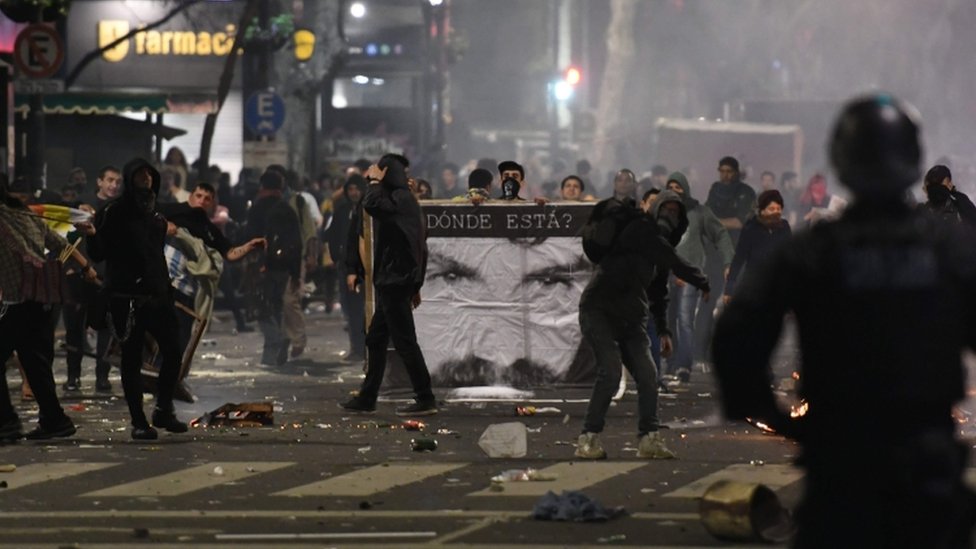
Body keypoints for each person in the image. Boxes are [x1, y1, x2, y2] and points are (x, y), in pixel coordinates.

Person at [712, 94, 976, 549]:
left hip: (839, 461)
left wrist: (778, 417)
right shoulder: (947, 249)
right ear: (913, 163)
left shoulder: (815, 250)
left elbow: (736, 337)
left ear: (842, 161)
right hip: (924, 461)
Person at [575, 188, 708, 460]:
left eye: (675, 212)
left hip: (631, 317)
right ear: (656, 208)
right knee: (610, 374)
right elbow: (672, 259)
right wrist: (701, 280)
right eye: (666, 209)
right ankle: (588, 439)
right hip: (599, 310)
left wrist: (663, 330)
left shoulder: (659, 251)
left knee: (649, 378)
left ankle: (649, 439)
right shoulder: (640, 229)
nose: (669, 215)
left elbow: (658, 293)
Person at [87, 158, 189, 440]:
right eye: (140, 174)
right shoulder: (114, 212)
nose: (145, 179)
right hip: (126, 298)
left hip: (158, 296)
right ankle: (138, 421)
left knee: (173, 351)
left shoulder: (155, 213)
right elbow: (98, 253)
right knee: (131, 359)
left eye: (149, 174)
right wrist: (92, 235)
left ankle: (164, 409)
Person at [0, 180, 96, 440]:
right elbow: (60, 245)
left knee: (32, 362)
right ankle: (55, 420)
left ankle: (6, 422)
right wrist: (86, 269)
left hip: (18, 302)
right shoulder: (24, 213)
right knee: (35, 363)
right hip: (43, 299)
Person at [342, 154, 436, 416]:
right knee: (376, 338)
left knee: (405, 341)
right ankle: (368, 396)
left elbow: (371, 204)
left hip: (396, 280)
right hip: (395, 279)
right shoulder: (405, 199)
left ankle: (425, 397)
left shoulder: (400, 199)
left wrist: (373, 181)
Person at [664, 171, 734, 383]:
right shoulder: (661, 213)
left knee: (684, 319)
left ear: (686, 189)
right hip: (666, 276)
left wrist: (728, 261)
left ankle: (684, 365)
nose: (675, 192)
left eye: (679, 187)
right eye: (671, 187)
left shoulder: (699, 212)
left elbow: (720, 234)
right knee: (667, 320)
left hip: (690, 275)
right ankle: (671, 362)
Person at [244, 170, 303, 366]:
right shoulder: (287, 209)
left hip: (262, 266)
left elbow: (250, 237)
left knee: (263, 309)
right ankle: (278, 347)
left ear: (262, 186)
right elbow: (297, 242)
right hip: (284, 267)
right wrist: (295, 272)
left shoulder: (258, 208)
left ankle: (273, 349)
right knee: (276, 306)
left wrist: (255, 263)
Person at [722, 189, 792, 302]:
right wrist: (729, 289)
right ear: (762, 211)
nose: (776, 212)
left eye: (778, 209)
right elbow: (739, 259)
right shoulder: (751, 228)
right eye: (771, 209)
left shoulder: (784, 228)